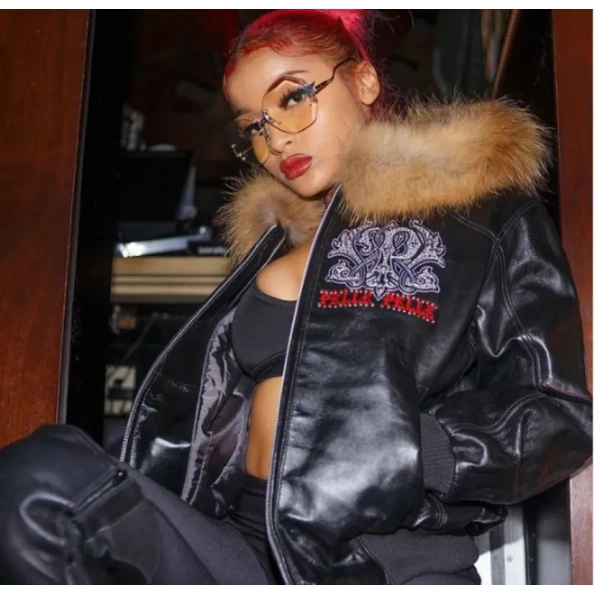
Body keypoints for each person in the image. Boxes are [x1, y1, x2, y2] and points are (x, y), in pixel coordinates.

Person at [0, 9, 592, 586]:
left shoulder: (478, 220)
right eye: (253, 126)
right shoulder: (270, 246)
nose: (276, 140)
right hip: (238, 543)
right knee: (39, 484)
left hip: (382, 557)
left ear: (363, 80)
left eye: (291, 97)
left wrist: (416, 447)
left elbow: (558, 417)